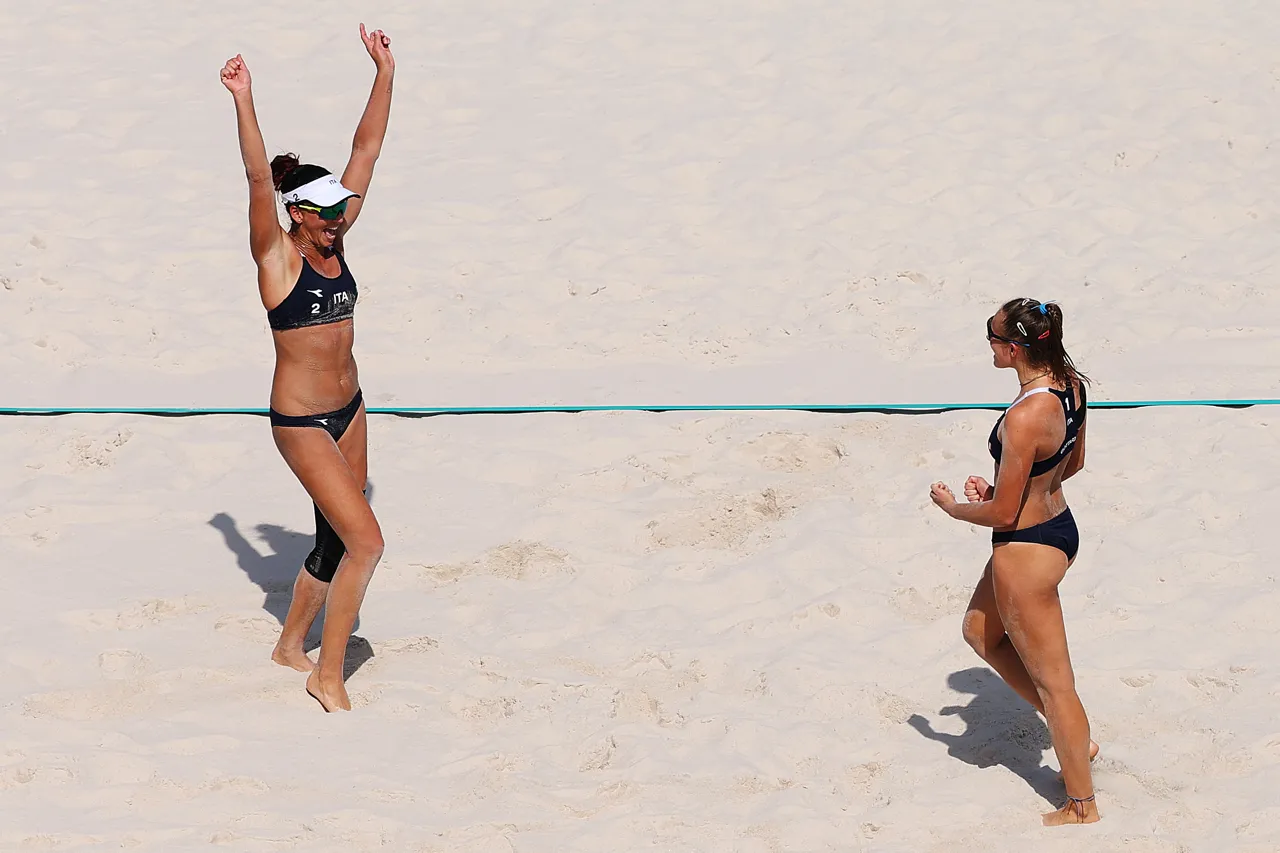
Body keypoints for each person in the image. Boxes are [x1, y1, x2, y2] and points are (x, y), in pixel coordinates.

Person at [220, 24, 394, 712]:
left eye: (339, 213)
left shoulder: (334, 238)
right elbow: (258, 177)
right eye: (322, 215)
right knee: (368, 542)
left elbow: (367, 147)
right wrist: (243, 97)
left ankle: (291, 645)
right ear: (295, 213)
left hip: (351, 408)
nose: (336, 223)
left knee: (333, 534)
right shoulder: (279, 259)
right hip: (301, 421)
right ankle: (328, 674)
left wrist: (383, 70)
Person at [928, 298, 1100, 825]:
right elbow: (1073, 462)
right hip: (1057, 527)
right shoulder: (1071, 385)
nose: (990, 344)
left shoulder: (1026, 415)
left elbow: (1003, 513)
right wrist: (1007, 486)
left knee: (1056, 684)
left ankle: (1081, 803)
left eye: (993, 337)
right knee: (981, 633)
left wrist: (958, 506)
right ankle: (1077, 739)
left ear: (1015, 347)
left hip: (1025, 549)